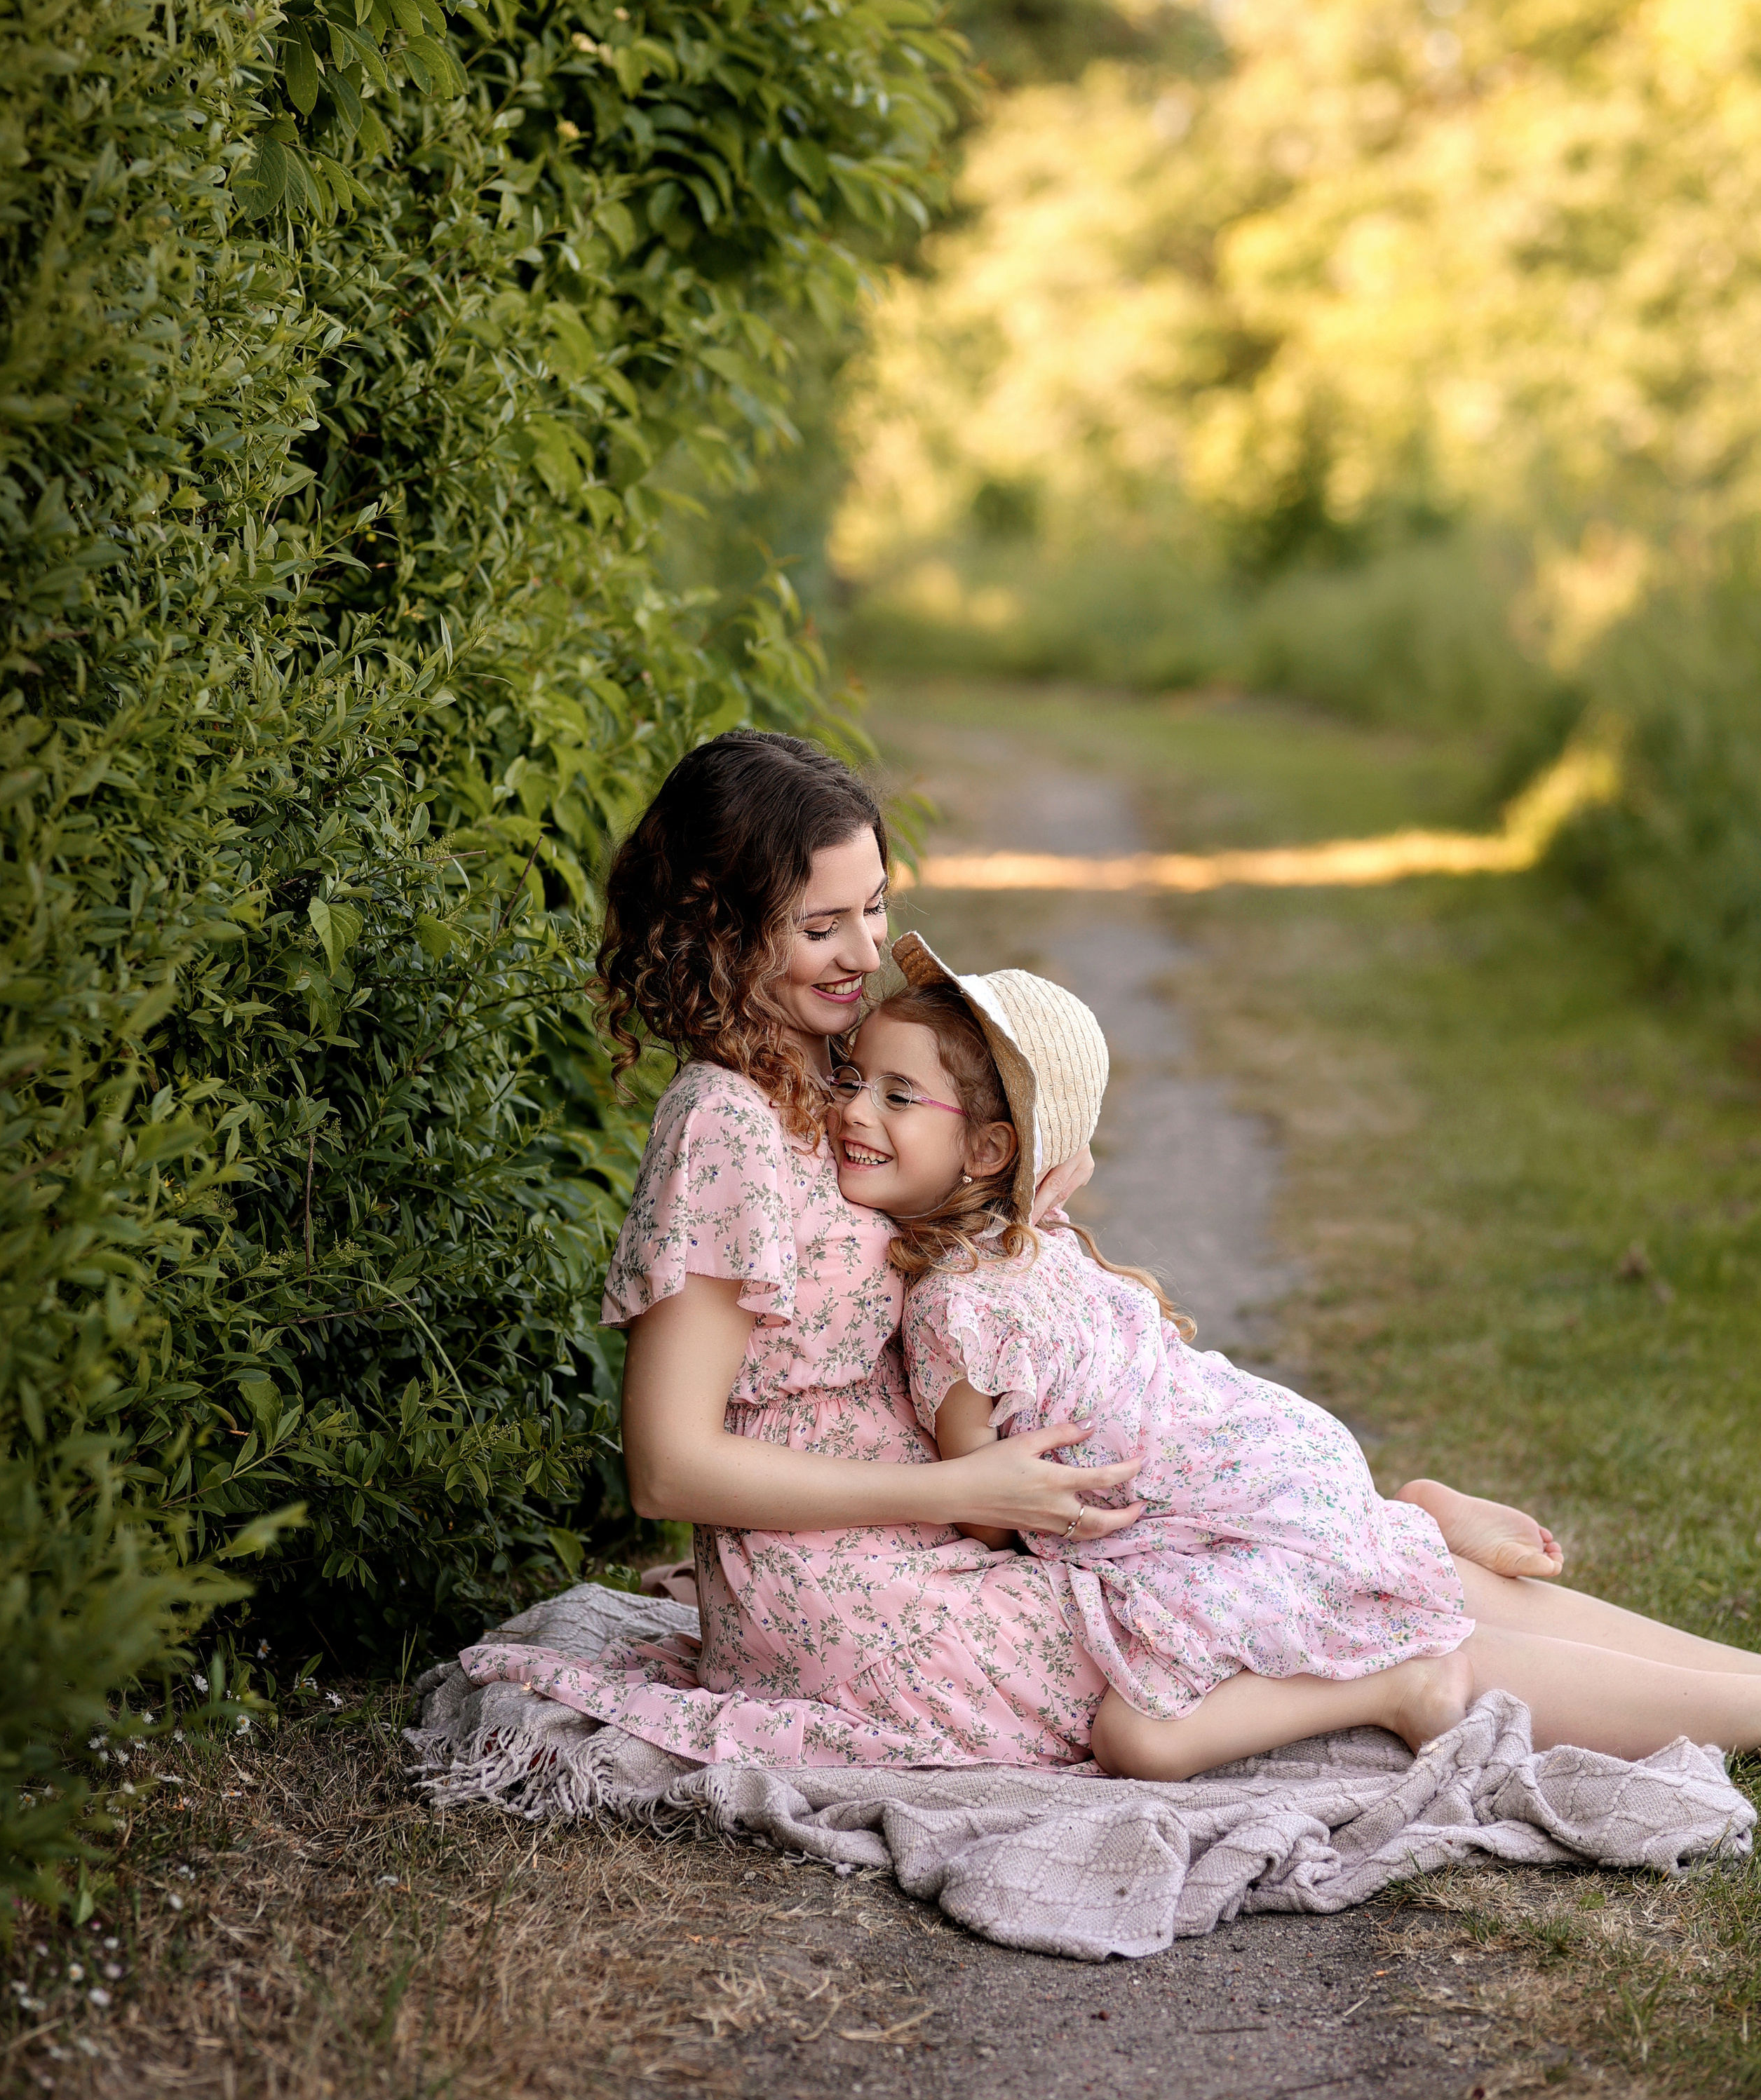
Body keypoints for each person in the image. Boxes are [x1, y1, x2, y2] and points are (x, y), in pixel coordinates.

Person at [827, 931, 1761, 1780]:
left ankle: (1407, 1679)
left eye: (896, 1095)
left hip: (1211, 1519)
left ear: (990, 1148)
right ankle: (1425, 1528)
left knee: (1143, 1736)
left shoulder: (951, 1306)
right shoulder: (1033, 1234)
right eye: (852, 1077)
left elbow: (984, 1510)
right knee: (1399, 1586)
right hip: (1266, 1450)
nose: (853, 1111)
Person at [457, 728, 1142, 1767]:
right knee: (1166, 1650)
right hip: (831, 1584)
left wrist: (1024, 1201)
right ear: (719, 931)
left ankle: (1443, 1555)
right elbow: (666, 1467)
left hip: (924, 1531)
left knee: (1198, 1579)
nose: (868, 955)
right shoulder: (723, 1124)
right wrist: (961, 1494)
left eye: (874, 906)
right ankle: (1433, 1663)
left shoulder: (844, 1079)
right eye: (823, 925)